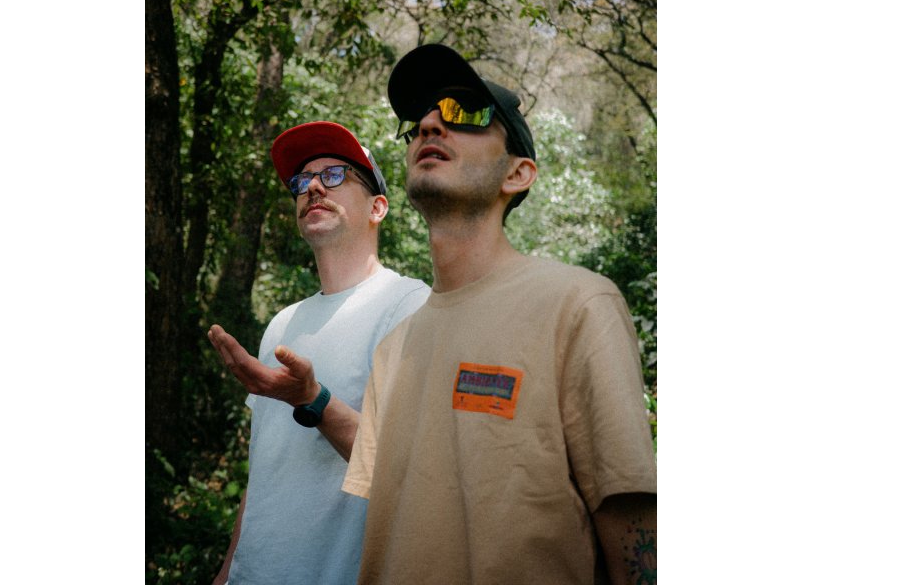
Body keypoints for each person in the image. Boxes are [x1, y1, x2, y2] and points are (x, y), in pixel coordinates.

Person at [342, 44, 657, 585]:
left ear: (518, 173)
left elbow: (633, 525)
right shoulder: (393, 349)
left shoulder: (579, 305)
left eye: (465, 112)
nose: (430, 124)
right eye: (419, 122)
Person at [207, 121, 430, 585]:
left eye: (334, 175)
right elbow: (265, 470)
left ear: (377, 207)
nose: (312, 187)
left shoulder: (408, 305)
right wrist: (227, 571)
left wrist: (314, 400)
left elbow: (407, 472)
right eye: (302, 179)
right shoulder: (282, 324)